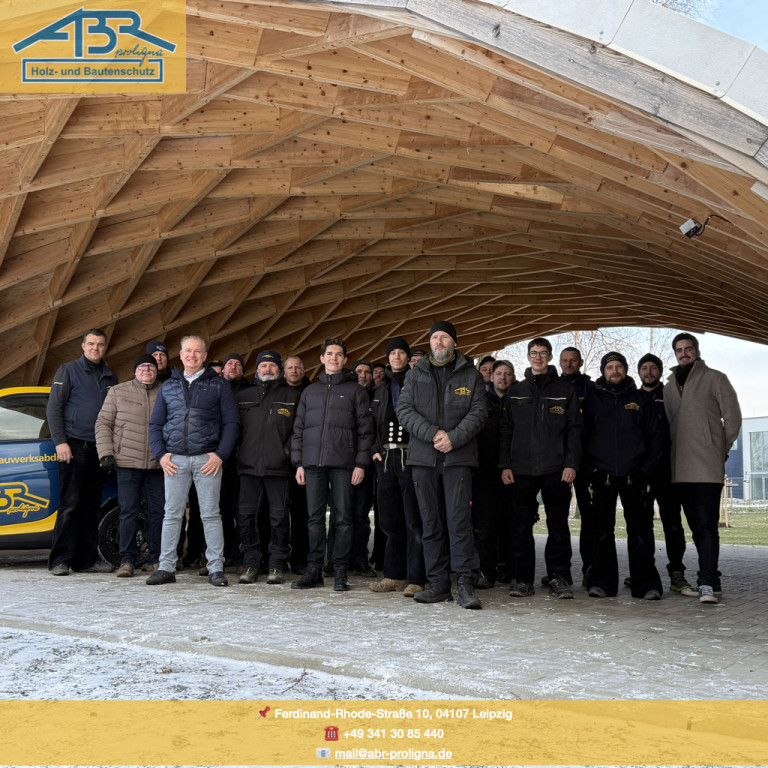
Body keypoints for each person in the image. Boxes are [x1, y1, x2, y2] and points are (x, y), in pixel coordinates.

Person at [396, 321, 486, 609]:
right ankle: (438, 584)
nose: (438, 342)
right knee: (430, 522)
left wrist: (453, 438)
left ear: (454, 343)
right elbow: (404, 410)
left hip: (458, 458)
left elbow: (479, 412)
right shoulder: (415, 375)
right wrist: (433, 434)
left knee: (459, 522)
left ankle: (464, 584)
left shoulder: (470, 375)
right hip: (423, 459)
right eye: (434, 337)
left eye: (444, 337)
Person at [147, 335, 239, 587]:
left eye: (197, 351)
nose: (192, 355)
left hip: (207, 460)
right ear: (181, 353)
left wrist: (220, 455)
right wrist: (161, 455)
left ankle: (216, 568)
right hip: (174, 459)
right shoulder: (168, 386)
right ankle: (166, 567)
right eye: (188, 350)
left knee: (210, 515)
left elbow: (232, 423)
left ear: (205, 356)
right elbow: (156, 424)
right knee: (172, 515)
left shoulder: (219, 385)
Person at [500, 337, 582, 599]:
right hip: (521, 470)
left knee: (557, 525)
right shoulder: (516, 391)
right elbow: (506, 431)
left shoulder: (564, 390)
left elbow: (574, 430)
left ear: (549, 356)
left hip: (556, 469)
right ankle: (523, 580)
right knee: (520, 526)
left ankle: (559, 577)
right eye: (534, 353)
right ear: (528, 357)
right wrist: (505, 465)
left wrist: (571, 463)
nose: (538, 357)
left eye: (543, 353)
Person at [290, 338, 374, 591]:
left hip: (344, 464)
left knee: (343, 519)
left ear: (345, 360)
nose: (334, 358)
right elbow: (299, 429)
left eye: (339, 354)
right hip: (313, 464)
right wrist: (299, 463)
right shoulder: (310, 392)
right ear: (322, 358)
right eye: (329, 354)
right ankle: (314, 569)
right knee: (314, 519)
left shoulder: (355, 391)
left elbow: (365, 431)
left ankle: (340, 570)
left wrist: (360, 463)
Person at [664, 333, 741, 604]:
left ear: (696, 350)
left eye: (688, 349)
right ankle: (711, 579)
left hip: (707, 466)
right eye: (679, 350)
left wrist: (719, 449)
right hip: (680, 467)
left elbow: (733, 418)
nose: (684, 353)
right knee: (696, 527)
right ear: (675, 354)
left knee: (707, 525)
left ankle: (708, 581)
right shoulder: (670, 384)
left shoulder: (716, 378)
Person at [582, 352, 664, 600]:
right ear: (603, 371)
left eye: (619, 367)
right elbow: (579, 438)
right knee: (602, 532)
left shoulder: (641, 399)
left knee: (640, 532)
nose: (614, 371)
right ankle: (602, 584)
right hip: (602, 475)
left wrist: (645, 470)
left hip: (634, 475)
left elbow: (657, 437)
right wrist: (591, 470)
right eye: (610, 367)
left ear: (626, 370)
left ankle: (646, 585)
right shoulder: (593, 400)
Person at [46, 329, 119, 575]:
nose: (95, 348)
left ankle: (86, 560)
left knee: (91, 507)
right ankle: (60, 560)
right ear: (83, 345)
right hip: (74, 447)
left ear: (105, 347)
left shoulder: (111, 377)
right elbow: (54, 408)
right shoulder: (68, 371)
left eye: (100, 344)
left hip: (99, 449)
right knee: (70, 504)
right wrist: (60, 442)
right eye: (91, 344)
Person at [95, 354, 164, 576]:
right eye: (142, 366)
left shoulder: (165, 391)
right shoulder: (118, 392)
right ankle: (127, 560)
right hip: (127, 462)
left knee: (158, 512)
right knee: (128, 511)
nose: (147, 370)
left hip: (157, 464)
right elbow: (103, 423)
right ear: (135, 370)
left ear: (156, 371)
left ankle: (155, 558)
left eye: (151, 367)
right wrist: (106, 453)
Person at [236, 350, 300, 585]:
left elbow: (298, 431)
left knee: (279, 518)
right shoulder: (243, 396)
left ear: (278, 370)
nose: (267, 369)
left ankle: (277, 565)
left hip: (279, 469)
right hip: (248, 468)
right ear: (257, 370)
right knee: (246, 517)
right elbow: (234, 430)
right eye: (263, 366)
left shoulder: (291, 395)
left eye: (272, 366)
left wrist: (287, 454)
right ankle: (251, 564)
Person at [369, 337, 426, 597]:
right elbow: (369, 425)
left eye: (401, 353)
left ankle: (416, 578)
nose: (396, 357)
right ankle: (394, 575)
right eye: (392, 353)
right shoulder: (380, 390)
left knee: (414, 520)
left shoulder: (418, 384)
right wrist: (374, 451)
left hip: (411, 458)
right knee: (390, 521)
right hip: (386, 460)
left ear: (407, 357)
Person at [637, 353, 691, 594]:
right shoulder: (633, 398)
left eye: (653, 368)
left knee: (673, 523)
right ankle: (644, 571)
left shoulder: (670, 395)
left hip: (668, 471)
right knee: (642, 524)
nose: (648, 372)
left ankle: (677, 572)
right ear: (638, 372)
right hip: (641, 473)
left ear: (659, 372)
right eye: (644, 368)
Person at [472, 359, 515, 588]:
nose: (502, 377)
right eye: (498, 373)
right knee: (485, 526)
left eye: (507, 374)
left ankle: (509, 570)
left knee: (511, 523)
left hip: (513, 472)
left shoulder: (519, 401)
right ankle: (486, 572)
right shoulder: (480, 402)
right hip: (485, 472)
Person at [558, 346, 595, 585]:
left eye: (573, 361)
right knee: (558, 518)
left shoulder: (591, 388)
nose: (569, 365)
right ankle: (562, 571)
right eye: (565, 361)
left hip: (586, 461)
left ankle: (590, 568)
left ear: (580, 362)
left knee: (589, 518)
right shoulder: (553, 387)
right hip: (559, 462)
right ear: (559, 362)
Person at [283, 355, 310, 573]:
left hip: (303, 461)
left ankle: (301, 558)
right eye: (290, 367)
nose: (294, 371)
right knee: (278, 513)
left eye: (297, 367)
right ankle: (277, 557)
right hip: (279, 462)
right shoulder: (276, 393)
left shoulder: (312, 392)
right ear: (284, 371)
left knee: (302, 513)